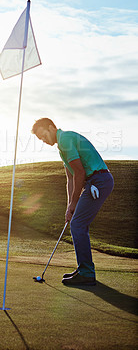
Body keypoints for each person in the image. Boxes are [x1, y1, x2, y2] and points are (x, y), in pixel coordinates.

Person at [31, 118, 114, 286]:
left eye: (43, 135)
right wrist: (70, 206)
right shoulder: (62, 147)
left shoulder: (66, 139)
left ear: (51, 127)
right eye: (40, 139)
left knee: (77, 224)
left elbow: (79, 173)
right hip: (95, 182)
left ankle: (86, 272)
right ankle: (84, 268)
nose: (44, 141)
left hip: (98, 180)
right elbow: (70, 178)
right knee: (77, 223)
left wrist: (75, 203)